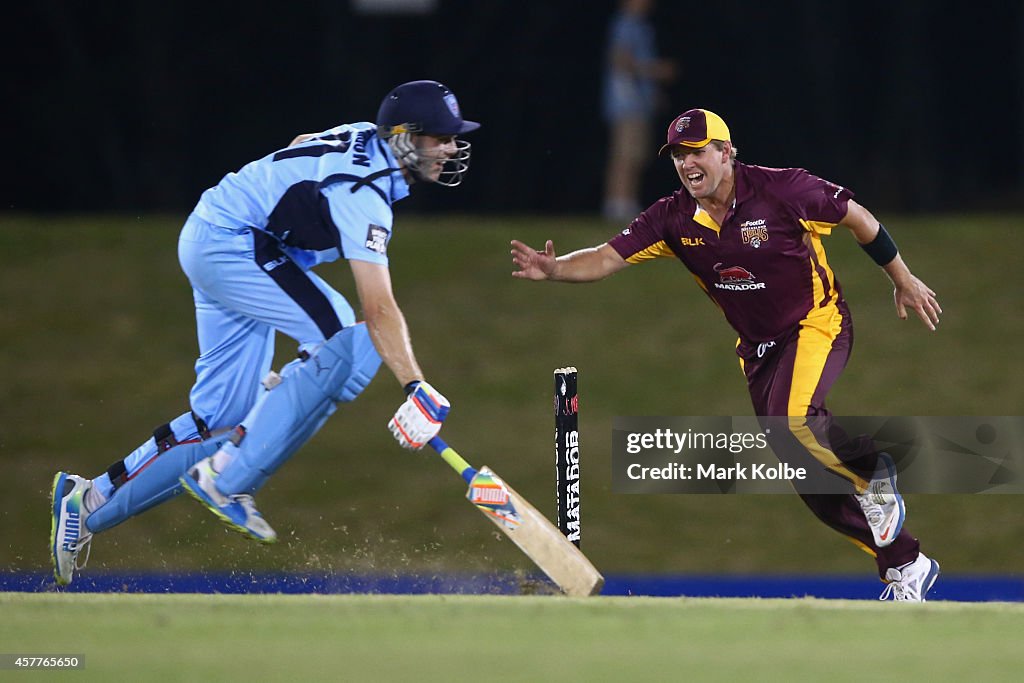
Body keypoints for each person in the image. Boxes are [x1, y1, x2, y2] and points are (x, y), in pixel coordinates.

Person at [50, 80, 479, 585]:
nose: (451, 147)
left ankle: (88, 502)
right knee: (345, 338)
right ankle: (229, 479)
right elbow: (378, 307)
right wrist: (415, 386)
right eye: (441, 137)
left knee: (220, 419)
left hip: (219, 236)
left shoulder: (366, 140)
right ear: (405, 137)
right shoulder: (364, 192)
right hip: (234, 244)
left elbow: (301, 143)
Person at [511, 108, 943, 601]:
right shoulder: (672, 217)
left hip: (816, 323)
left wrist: (902, 279)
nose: (687, 163)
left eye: (697, 151)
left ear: (726, 152)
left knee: (793, 421)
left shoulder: (783, 190)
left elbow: (859, 218)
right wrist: (555, 268)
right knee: (810, 479)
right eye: (677, 154)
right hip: (758, 352)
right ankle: (906, 563)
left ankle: (873, 473)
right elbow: (607, 257)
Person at [601, 0, 677, 222]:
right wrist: (657, 71)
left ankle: (627, 201)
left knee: (637, 154)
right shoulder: (625, 24)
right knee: (623, 153)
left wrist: (653, 92)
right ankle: (615, 203)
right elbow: (620, 60)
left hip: (640, 102)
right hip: (626, 100)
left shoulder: (642, 26)